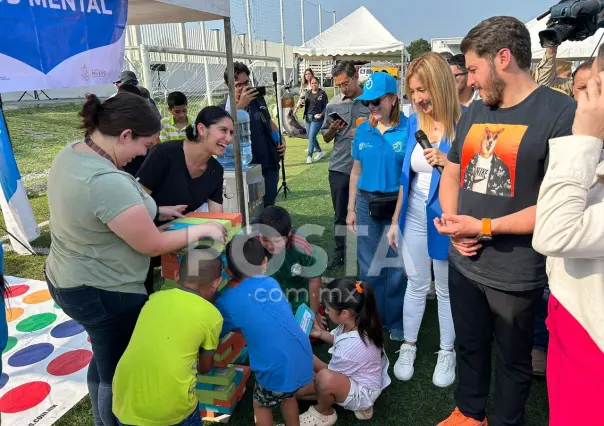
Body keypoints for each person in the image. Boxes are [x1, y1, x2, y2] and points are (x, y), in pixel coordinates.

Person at [45, 93, 227, 426]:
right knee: (117, 373)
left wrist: (157, 210)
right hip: (103, 290)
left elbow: (110, 210)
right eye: (145, 145)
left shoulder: (72, 155)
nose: (144, 154)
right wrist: (204, 229)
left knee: (103, 358)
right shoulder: (106, 180)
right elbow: (151, 244)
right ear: (126, 135)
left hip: (68, 278)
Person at [433, 16, 576, 426]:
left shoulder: (560, 114)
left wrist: (481, 228)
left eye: (474, 69)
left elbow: (557, 206)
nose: (470, 81)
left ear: (503, 58)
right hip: (464, 260)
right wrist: (452, 220)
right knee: (470, 345)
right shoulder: (475, 110)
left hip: (516, 270)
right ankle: (468, 412)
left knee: (513, 362)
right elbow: (454, 170)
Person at [531, 42, 604, 426]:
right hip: (574, 319)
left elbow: (554, 232)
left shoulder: (585, 140)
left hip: (591, 340)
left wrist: (584, 140)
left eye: (596, 86)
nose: (588, 97)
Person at [388, 52, 461, 387]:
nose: (417, 98)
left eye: (422, 89)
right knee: (416, 283)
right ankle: (409, 345)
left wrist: (448, 163)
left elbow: (476, 181)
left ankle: (447, 351)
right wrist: (394, 221)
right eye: (412, 91)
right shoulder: (413, 123)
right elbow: (406, 178)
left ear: (440, 84)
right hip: (413, 214)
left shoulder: (464, 123)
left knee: (445, 289)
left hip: (447, 216)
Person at [113, 245, 224, 426]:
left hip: (126, 398)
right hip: (172, 407)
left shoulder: (154, 299)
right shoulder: (212, 316)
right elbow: (205, 367)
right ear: (216, 283)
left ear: (177, 276)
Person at [216, 236, 313, 426]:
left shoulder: (226, 301)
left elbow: (218, 330)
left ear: (228, 270)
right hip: (302, 356)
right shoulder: (271, 283)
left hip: (274, 368)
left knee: (261, 405)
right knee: (288, 397)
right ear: (265, 262)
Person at [136, 106, 232, 295]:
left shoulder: (216, 171)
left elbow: (216, 217)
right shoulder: (165, 154)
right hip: (142, 239)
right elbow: (135, 200)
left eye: (231, 133)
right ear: (202, 129)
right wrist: (157, 211)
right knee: (140, 296)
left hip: (181, 246)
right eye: (223, 130)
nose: (228, 138)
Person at [346, 71, 409, 341]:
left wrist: (397, 217)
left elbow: (411, 178)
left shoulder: (409, 129)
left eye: (377, 101)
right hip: (365, 204)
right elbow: (355, 172)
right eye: (367, 102)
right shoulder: (363, 129)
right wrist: (350, 208)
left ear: (393, 99)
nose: (372, 108)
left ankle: (394, 320)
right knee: (369, 267)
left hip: (398, 205)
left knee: (396, 267)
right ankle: (372, 319)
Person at [296, 278, 391, 424]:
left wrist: (305, 352)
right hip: (359, 377)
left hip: (361, 391)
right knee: (297, 389)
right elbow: (338, 338)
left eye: (328, 309)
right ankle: (333, 396)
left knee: (318, 381)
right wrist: (320, 334)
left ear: (345, 313)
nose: (326, 312)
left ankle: (324, 412)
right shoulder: (359, 321)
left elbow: (327, 375)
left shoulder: (352, 347)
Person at [321, 61, 370, 270]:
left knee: (367, 212)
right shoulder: (333, 104)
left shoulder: (371, 100)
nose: (343, 88)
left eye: (345, 83)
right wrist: (332, 128)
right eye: (339, 85)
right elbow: (324, 138)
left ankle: (366, 251)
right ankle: (341, 252)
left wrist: (366, 131)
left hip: (367, 168)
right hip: (340, 168)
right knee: (341, 214)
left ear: (356, 76)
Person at [222, 62, 286, 207]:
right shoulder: (222, 109)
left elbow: (269, 122)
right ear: (228, 86)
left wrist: (281, 138)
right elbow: (225, 133)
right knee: (251, 210)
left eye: (247, 83)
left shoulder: (257, 99)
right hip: (246, 169)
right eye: (239, 85)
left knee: (269, 206)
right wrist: (241, 106)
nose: (245, 89)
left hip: (269, 164)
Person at [254, 206, 325, 325]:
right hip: (269, 295)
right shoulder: (253, 243)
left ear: (289, 232)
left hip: (299, 295)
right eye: (265, 239)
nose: (271, 246)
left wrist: (314, 314)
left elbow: (314, 280)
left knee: (308, 330)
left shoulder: (302, 245)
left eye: (277, 241)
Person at [303, 77, 327, 164]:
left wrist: (322, 114)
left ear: (318, 83)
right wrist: (302, 104)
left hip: (317, 118)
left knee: (312, 136)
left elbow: (325, 106)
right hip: (308, 117)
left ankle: (309, 156)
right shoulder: (307, 93)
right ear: (310, 84)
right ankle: (320, 152)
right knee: (310, 136)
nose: (314, 84)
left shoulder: (322, 93)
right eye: (312, 83)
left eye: (315, 83)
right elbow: (304, 104)